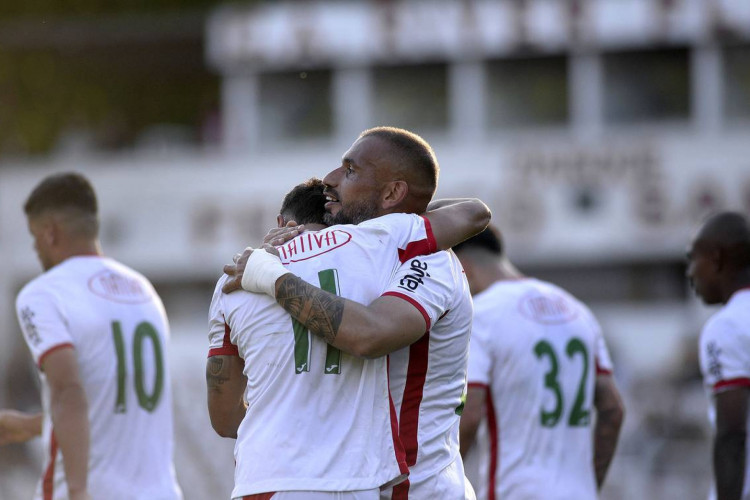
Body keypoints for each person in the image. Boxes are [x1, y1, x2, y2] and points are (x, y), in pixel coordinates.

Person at [228, 127, 481, 499]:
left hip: (420, 486)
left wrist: (274, 278)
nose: (329, 180)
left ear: (393, 193)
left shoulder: (430, 261)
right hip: (363, 484)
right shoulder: (372, 251)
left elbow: (370, 335)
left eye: (349, 171)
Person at [4, 173, 182, 500]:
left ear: (50, 233)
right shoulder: (144, 291)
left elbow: (67, 390)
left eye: (34, 239)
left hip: (94, 490)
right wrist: (31, 426)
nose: (36, 249)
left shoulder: (44, 293)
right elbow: (111, 402)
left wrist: (77, 490)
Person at [454, 226, 624, 500]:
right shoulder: (576, 309)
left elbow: (470, 414)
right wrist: (589, 485)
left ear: (463, 268)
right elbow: (613, 410)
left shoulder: (482, 314)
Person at [687, 211, 750, 500]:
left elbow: (732, 433)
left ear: (716, 259)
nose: (690, 273)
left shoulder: (727, 326)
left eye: (693, 259)